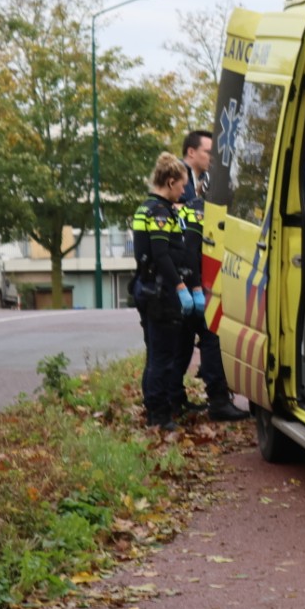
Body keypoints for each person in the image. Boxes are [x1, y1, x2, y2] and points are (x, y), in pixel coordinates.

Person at [176, 130, 249, 422]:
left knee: (183, 344)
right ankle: (216, 400)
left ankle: (173, 401)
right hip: (193, 281)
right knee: (208, 337)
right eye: (207, 151)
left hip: (191, 280)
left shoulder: (193, 198)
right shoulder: (192, 201)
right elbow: (190, 246)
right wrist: (193, 287)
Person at [131, 152, 191, 431]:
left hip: (146, 287)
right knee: (163, 356)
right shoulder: (159, 212)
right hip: (161, 292)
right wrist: (180, 286)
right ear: (170, 182)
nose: (183, 192)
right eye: (181, 186)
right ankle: (160, 414)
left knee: (154, 353)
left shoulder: (146, 208)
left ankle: (153, 408)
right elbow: (161, 254)